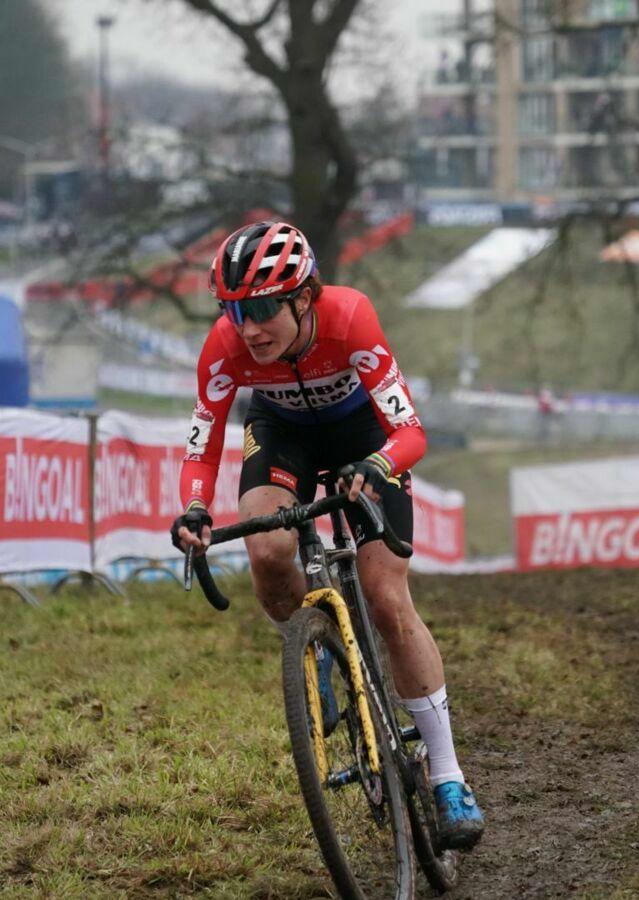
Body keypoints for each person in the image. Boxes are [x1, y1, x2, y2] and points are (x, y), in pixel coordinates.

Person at [170, 220, 484, 850]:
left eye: (262, 308)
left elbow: (411, 432)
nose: (248, 326)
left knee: (386, 599)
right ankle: (313, 652)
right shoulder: (224, 347)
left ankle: (448, 775)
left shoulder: (350, 319)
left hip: (366, 437)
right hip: (283, 436)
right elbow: (201, 449)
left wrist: (380, 466)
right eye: (233, 310)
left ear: (304, 298)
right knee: (266, 547)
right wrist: (196, 510)